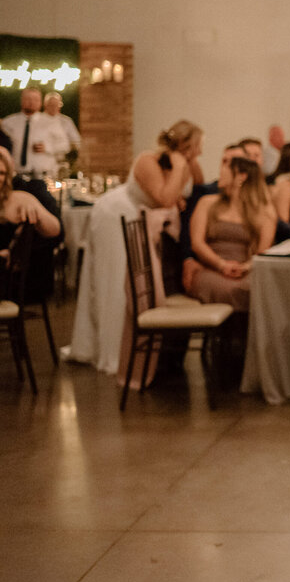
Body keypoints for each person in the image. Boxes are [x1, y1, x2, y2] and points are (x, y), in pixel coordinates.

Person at [67, 120, 203, 374]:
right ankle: (114, 352)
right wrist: (180, 166)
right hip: (117, 216)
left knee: (134, 285)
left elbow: (192, 191)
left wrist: (186, 173)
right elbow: (164, 198)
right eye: (198, 146)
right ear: (186, 146)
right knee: (117, 282)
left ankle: (134, 349)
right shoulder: (147, 160)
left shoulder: (186, 165)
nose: (201, 152)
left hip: (145, 222)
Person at [185, 156, 273, 312]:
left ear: (241, 176)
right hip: (210, 268)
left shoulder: (263, 211)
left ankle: (248, 335)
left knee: (257, 288)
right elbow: (197, 243)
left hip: (245, 269)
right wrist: (221, 264)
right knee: (232, 290)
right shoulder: (207, 203)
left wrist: (246, 267)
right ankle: (234, 336)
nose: (220, 171)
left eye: (225, 167)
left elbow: (263, 252)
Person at [1, 88, 67, 177]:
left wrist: (47, 147)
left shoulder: (51, 122)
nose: (31, 102)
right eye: (28, 99)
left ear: (41, 103)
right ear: (22, 101)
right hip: (16, 175)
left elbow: (65, 145)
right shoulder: (9, 122)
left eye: (35, 99)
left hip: (43, 176)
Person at [43, 91, 81, 163]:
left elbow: (76, 141)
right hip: (44, 159)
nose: (54, 108)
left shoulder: (66, 121)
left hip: (63, 160)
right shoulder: (38, 120)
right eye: (51, 105)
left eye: (56, 105)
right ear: (45, 105)